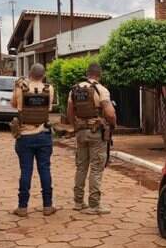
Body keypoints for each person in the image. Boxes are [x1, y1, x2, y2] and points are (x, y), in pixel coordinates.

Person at [67, 63, 117, 215]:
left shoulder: (75, 89)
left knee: (81, 166)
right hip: (96, 133)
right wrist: (113, 124)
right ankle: (94, 205)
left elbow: (69, 112)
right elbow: (109, 113)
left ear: (87, 73)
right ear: (99, 75)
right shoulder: (101, 90)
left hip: (81, 132)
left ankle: (78, 202)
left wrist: (76, 125)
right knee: (96, 167)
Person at [10, 63, 56, 217]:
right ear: (43, 75)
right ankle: (48, 206)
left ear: (29, 73)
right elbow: (49, 109)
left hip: (25, 136)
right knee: (45, 169)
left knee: (26, 171)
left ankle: (22, 207)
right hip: (44, 134)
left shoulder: (20, 87)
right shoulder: (48, 89)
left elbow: (14, 104)